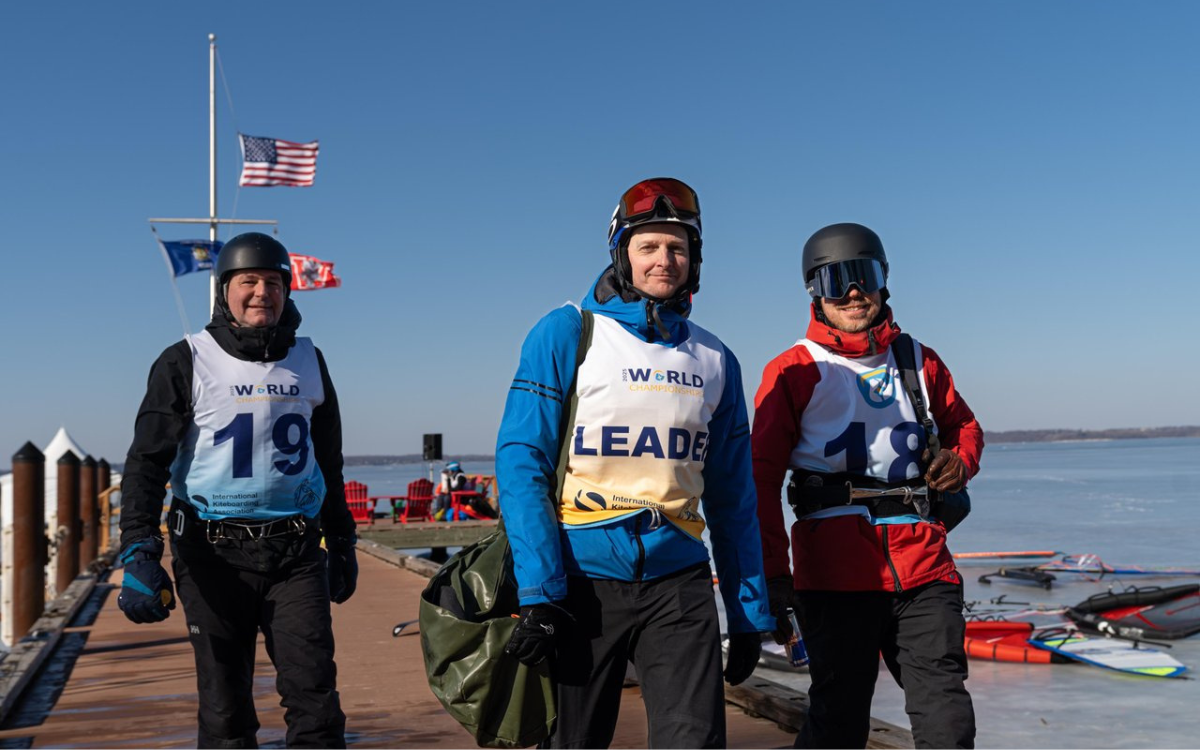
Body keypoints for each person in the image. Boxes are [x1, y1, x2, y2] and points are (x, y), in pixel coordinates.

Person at [496, 177, 774, 748]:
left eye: (678, 247)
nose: (664, 260)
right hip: (580, 580)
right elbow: (522, 462)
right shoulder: (568, 332)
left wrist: (748, 613)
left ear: (695, 259)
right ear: (622, 253)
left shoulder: (716, 358)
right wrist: (539, 593)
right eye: (648, 246)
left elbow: (732, 497)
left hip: (679, 580)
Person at [117, 232, 358, 749]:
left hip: (295, 552)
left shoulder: (310, 361)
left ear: (288, 291)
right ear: (224, 289)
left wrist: (342, 540)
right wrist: (139, 549)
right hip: (211, 554)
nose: (261, 293)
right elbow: (146, 464)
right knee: (226, 709)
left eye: (273, 282)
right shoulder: (185, 361)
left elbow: (328, 461)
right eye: (248, 281)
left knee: (315, 702)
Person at [751, 222, 984, 749]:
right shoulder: (794, 370)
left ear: (884, 282)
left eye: (866, 275)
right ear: (815, 291)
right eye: (837, 280)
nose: (854, 292)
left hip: (925, 566)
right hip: (835, 575)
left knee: (947, 716)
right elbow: (759, 481)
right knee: (839, 716)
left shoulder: (918, 359)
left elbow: (964, 427)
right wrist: (773, 574)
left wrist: (960, 461)